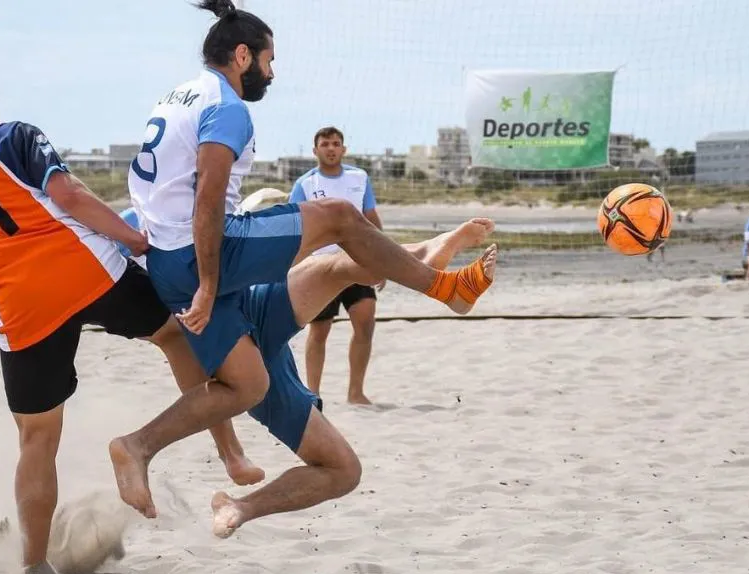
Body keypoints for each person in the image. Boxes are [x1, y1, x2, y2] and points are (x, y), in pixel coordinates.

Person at [112, 0, 495, 519]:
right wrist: (208, 283)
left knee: (251, 382)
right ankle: (443, 286)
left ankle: (140, 448)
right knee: (338, 217)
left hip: (171, 260)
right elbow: (208, 201)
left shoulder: (177, 96)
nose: (271, 73)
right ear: (243, 56)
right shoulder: (227, 107)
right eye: (268, 60)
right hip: (202, 251)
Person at [0, 53, 261, 574]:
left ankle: (34, 568)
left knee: (36, 440)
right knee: (175, 335)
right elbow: (69, 195)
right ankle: (230, 452)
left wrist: (7, 260)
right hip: (88, 273)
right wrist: (131, 238)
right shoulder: (7, 135)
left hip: (22, 312)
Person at [210, 220, 497, 537]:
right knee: (343, 467)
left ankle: (428, 264)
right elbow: (197, 381)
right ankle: (426, 265)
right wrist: (230, 451)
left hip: (251, 305)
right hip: (231, 350)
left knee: (338, 264)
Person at [288, 126, 383, 405]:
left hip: (356, 262)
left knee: (365, 323)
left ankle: (356, 392)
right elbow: (293, 227)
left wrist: (383, 262)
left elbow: (371, 219)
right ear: (315, 150)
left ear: (344, 149)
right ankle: (313, 394)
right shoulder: (305, 184)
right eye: (325, 144)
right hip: (321, 266)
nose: (331, 148)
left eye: (336, 143)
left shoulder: (359, 177)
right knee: (320, 330)